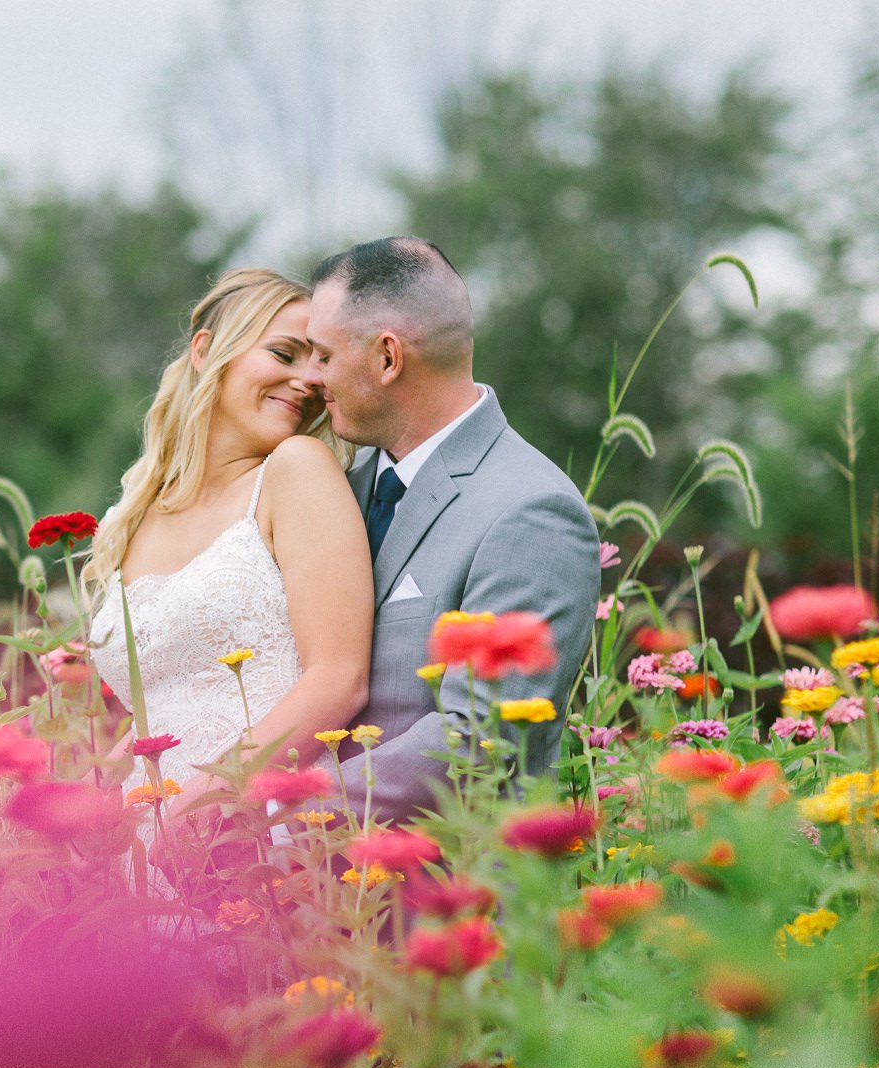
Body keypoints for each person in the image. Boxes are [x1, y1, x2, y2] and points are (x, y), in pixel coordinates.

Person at [302, 237, 600, 824]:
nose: (311, 377)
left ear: (388, 358)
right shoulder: (336, 491)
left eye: (323, 355)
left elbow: (477, 739)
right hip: (301, 900)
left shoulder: (530, 511)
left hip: (436, 898)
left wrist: (279, 812)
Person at [86, 267, 373, 809]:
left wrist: (204, 807)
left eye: (320, 364)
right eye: (285, 354)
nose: (309, 380)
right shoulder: (140, 514)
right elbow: (171, 706)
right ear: (205, 351)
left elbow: (339, 678)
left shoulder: (296, 471)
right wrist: (86, 798)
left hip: (248, 827)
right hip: (141, 835)